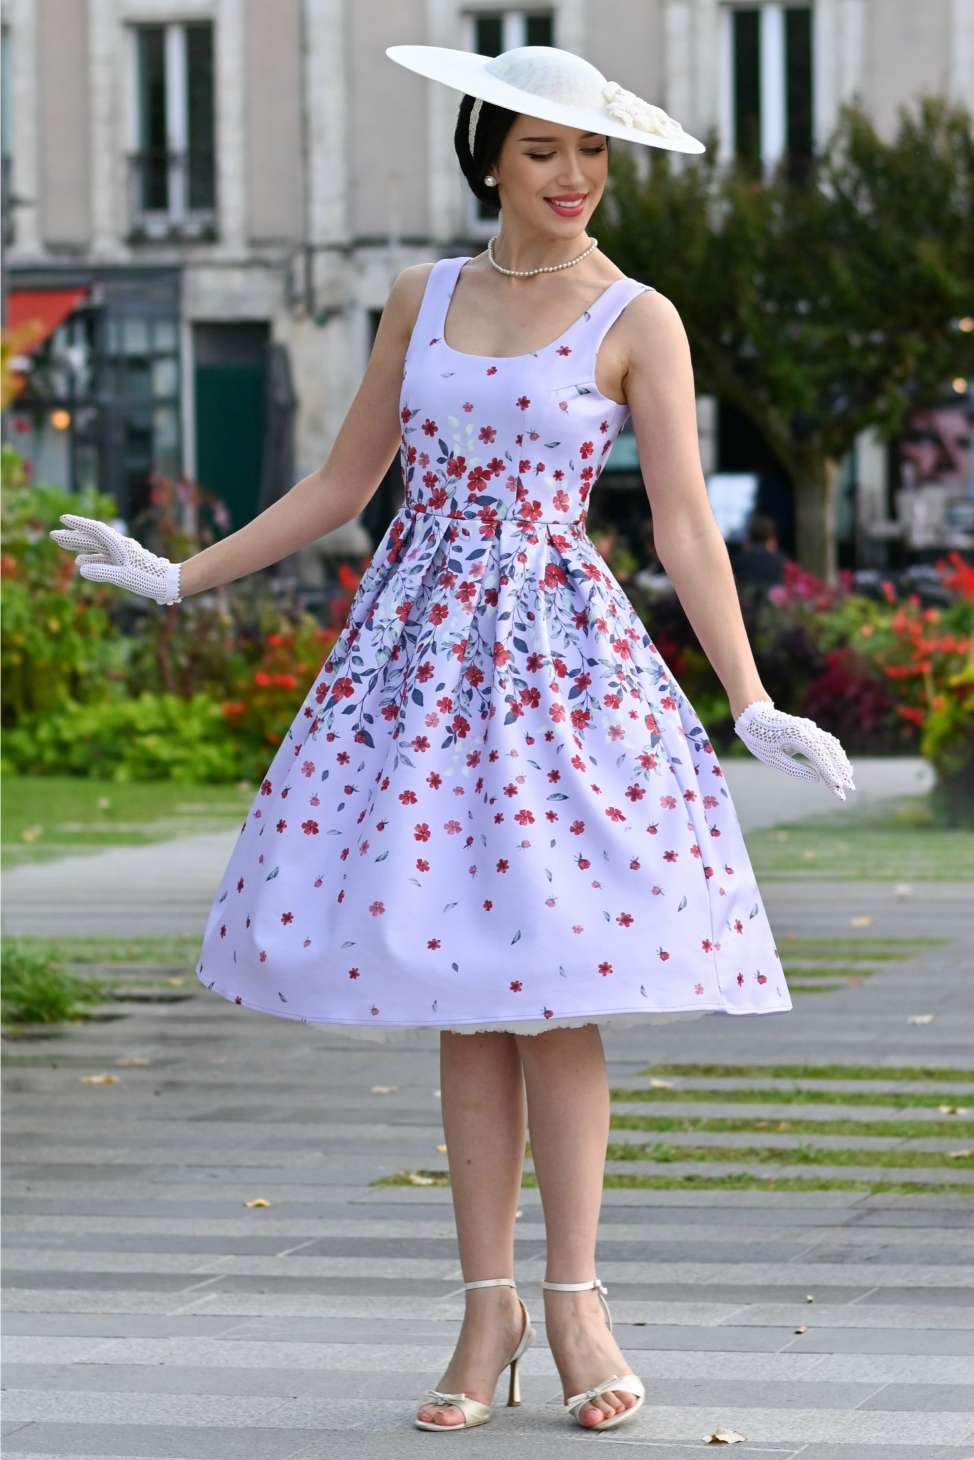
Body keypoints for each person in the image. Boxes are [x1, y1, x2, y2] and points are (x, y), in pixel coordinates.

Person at [50, 42, 855, 1438]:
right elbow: (346, 479)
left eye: (593, 154)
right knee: (469, 995)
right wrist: (177, 577)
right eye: (545, 151)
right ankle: (484, 1311)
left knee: (555, 988)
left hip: (560, 670)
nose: (574, 179)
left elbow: (677, 524)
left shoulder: (635, 316)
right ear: (489, 153)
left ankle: (574, 1302)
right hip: (415, 671)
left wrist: (750, 695)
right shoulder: (418, 296)